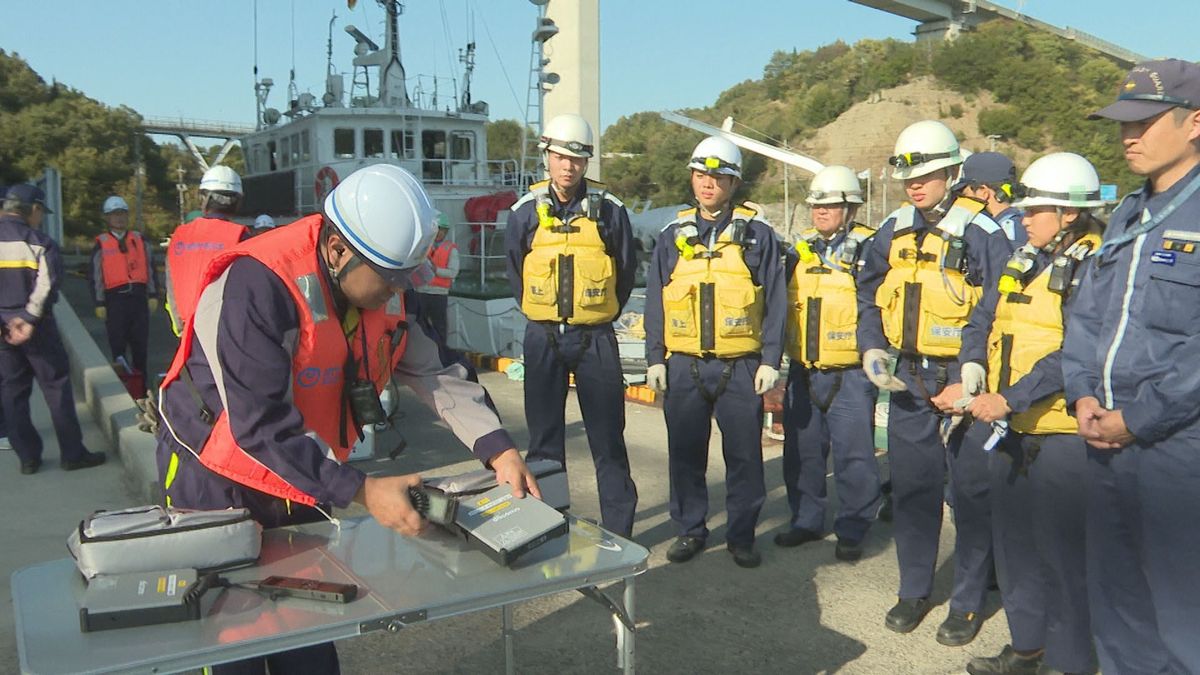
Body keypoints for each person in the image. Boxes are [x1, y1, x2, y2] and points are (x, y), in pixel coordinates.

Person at [155, 164, 541, 674]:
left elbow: (434, 369)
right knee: (229, 640)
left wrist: (497, 447)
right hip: (216, 481)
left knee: (307, 623)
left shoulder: (376, 282)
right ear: (337, 252)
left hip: (304, 477)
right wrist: (363, 491)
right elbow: (258, 427)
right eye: (390, 278)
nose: (397, 291)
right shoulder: (257, 284)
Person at [1061, 58, 1200, 673]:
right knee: (1117, 604)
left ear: (1195, 122)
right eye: (1122, 124)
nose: (1129, 136)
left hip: (1178, 449)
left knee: (1183, 615)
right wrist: (1081, 393)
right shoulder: (1128, 214)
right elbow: (1088, 317)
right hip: (1105, 438)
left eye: (1145, 121)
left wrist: (1138, 418)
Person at [856, 120, 1013, 644]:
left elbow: (998, 307)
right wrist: (871, 345)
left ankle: (968, 601)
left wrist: (973, 374)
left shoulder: (982, 232)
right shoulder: (892, 228)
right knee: (914, 488)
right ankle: (913, 589)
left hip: (964, 379)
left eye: (926, 174)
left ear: (952, 171)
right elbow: (867, 291)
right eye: (908, 176)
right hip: (909, 377)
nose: (916, 185)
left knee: (970, 494)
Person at [957, 153, 1104, 675]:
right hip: (1011, 430)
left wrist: (1011, 397)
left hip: (1062, 438)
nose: (1022, 218)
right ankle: (1027, 648)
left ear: (1068, 213)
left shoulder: (1095, 266)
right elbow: (981, 316)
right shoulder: (1025, 257)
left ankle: (1070, 663)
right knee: (1014, 547)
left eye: (1034, 210)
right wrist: (972, 363)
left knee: (1064, 559)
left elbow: (1076, 351)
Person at [644, 135, 785, 568]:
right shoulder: (672, 235)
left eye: (718, 177)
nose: (708, 184)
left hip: (739, 367)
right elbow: (655, 298)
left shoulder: (759, 237)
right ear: (692, 177)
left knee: (743, 457)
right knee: (685, 455)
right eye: (702, 175)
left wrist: (770, 360)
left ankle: (742, 535)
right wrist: (654, 357)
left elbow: (776, 299)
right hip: (684, 365)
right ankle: (690, 529)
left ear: (734, 183)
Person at [505, 113, 638, 537]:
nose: (568, 167)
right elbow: (515, 273)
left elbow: (625, 270)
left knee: (608, 440)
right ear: (547, 155)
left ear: (586, 163)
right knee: (544, 443)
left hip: (595, 338)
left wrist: (596, 318)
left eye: (577, 159)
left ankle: (618, 532)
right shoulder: (524, 212)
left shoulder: (611, 212)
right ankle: (547, 527)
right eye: (561, 156)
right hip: (542, 337)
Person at [775, 165, 881, 562]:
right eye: (816, 204)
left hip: (850, 374)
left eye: (831, 204)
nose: (821, 211)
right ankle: (806, 519)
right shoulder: (798, 251)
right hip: (804, 369)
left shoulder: (871, 250)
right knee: (802, 451)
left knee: (854, 455)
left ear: (850, 207)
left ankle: (853, 528)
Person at [0, 184, 106, 474]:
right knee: (56, 388)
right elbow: (46, 285)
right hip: (37, 328)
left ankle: (28, 458)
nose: (40, 218)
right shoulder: (39, 242)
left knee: (12, 392)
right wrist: (28, 319)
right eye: (40, 212)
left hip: (2, 331)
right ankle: (72, 455)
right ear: (32, 209)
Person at [164, 165, 249, 335]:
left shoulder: (179, 235)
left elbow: (171, 284)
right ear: (237, 201)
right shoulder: (240, 237)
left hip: (187, 329)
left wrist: (180, 325)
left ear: (203, 197)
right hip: (224, 331)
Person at [90, 195, 158, 379]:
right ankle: (124, 386)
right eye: (114, 214)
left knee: (140, 347)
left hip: (138, 298)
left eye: (122, 214)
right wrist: (99, 302)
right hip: (115, 300)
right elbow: (96, 275)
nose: (119, 218)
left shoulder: (140, 239)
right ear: (107, 218)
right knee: (118, 347)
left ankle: (142, 391)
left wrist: (153, 294)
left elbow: (150, 267)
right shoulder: (101, 243)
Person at [952, 151, 1028, 246]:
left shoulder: (1004, 233)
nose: (961, 200)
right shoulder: (1021, 225)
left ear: (983, 192)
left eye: (965, 194)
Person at [418, 213, 460, 341]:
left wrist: (436, 270)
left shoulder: (451, 249)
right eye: (437, 229)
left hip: (439, 293)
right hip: (421, 291)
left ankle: (441, 352)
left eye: (442, 230)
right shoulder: (423, 246)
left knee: (439, 326)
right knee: (420, 325)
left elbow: (453, 272)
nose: (439, 233)